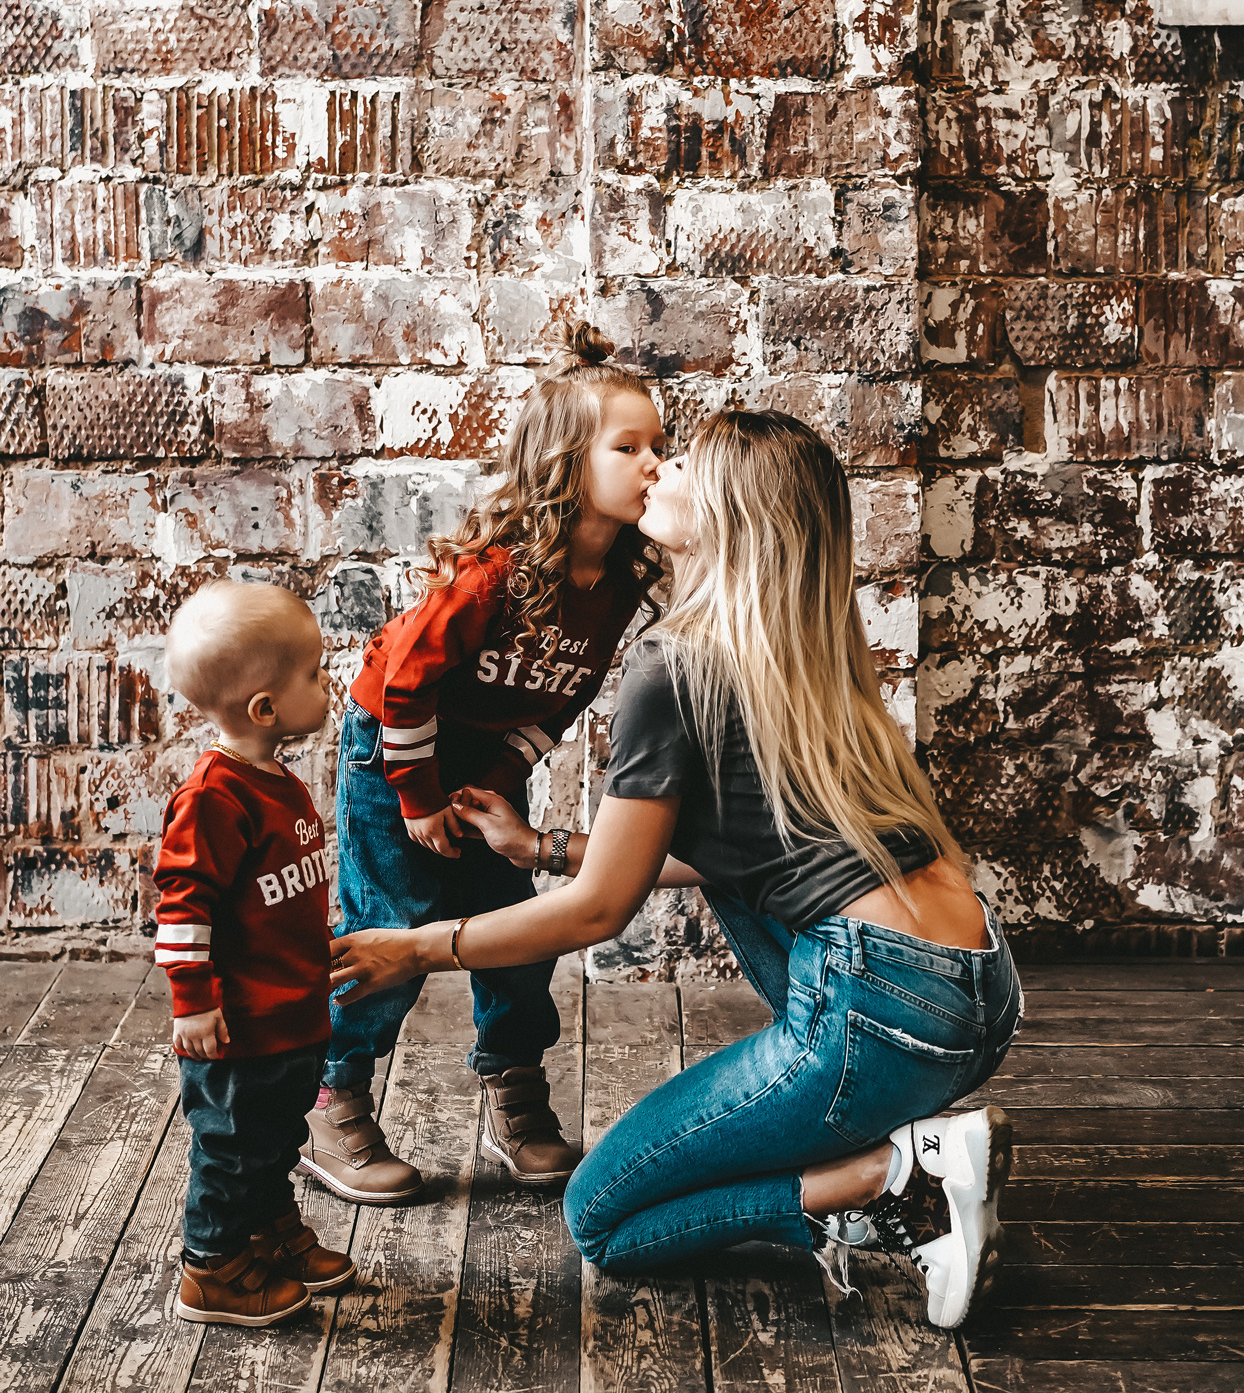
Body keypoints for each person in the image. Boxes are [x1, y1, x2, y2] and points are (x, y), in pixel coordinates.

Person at [329, 410, 1023, 1330]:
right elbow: (752, 848)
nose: (658, 470)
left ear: (731, 509)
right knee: (755, 905)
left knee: (605, 1219)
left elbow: (593, 915)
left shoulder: (673, 658)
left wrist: (415, 948)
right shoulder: (812, 651)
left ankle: (895, 1172)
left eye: (683, 460)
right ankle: (897, 1144)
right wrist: (542, 849)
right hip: (979, 990)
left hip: (879, 1013)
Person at [302, 323, 665, 1203]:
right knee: (392, 925)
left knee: (516, 932)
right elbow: (403, 688)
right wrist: (419, 796)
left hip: (480, 766)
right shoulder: (492, 577)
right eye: (629, 447)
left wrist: (505, 778)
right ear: (564, 466)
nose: (654, 463)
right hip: (393, 752)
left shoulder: (618, 582)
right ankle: (329, 1094)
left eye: (661, 445)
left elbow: (563, 699)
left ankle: (515, 1083)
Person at [155, 579, 354, 1329]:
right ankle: (211, 1267)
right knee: (232, 1148)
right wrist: (193, 1001)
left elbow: (273, 895)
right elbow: (181, 905)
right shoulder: (214, 796)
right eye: (312, 673)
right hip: (238, 1026)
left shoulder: (274, 779)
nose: (326, 683)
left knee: (275, 1137)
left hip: (290, 1014)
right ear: (264, 708)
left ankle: (267, 1232)